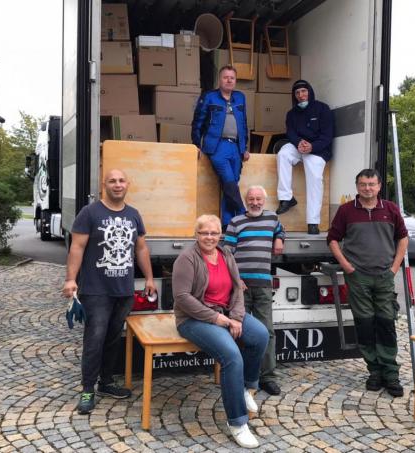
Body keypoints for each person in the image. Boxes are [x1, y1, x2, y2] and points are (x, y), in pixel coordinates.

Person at [61, 169, 157, 414]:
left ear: (128, 184)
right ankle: (87, 390)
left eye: (121, 180)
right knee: (94, 339)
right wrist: (71, 279)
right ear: (104, 184)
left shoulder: (133, 214)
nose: (117, 184)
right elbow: (77, 247)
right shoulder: (90, 213)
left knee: (114, 338)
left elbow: (141, 249)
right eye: (112, 181)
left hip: (123, 290)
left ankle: (106, 382)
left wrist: (148, 277)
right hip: (96, 290)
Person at [173, 214, 269, 449]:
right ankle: (238, 423)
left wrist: (235, 317)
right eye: (204, 233)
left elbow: (237, 288)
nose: (209, 237)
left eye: (214, 233)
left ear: (220, 235)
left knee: (260, 335)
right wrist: (219, 319)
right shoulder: (187, 258)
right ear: (196, 234)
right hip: (195, 318)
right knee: (232, 356)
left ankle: (246, 388)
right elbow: (182, 297)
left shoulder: (226, 254)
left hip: (226, 312)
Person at [326, 169, 408, 397]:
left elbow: (403, 237)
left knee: (386, 323)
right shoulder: (346, 211)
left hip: (384, 276)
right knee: (364, 324)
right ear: (357, 186)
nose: (367, 188)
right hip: (358, 277)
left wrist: (394, 268)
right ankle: (374, 372)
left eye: (372, 184)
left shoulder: (390, 209)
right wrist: (347, 266)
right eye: (363, 184)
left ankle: (391, 374)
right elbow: (332, 239)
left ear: (379, 186)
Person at [224, 186, 285, 396]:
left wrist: (279, 239)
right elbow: (226, 255)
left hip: (263, 286)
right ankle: (240, 376)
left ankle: (268, 377)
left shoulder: (272, 218)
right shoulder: (236, 222)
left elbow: (280, 230)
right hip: (240, 287)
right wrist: (236, 280)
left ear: (264, 201)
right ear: (245, 200)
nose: (255, 203)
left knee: (267, 332)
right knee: (238, 331)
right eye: (251, 199)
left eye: (259, 199)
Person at [192, 65, 250, 228]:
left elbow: (244, 123)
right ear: (220, 79)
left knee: (230, 184)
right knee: (229, 180)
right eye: (226, 77)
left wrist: (245, 147)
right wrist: (196, 144)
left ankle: (227, 224)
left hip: (236, 147)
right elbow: (198, 121)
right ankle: (244, 214)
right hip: (217, 146)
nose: (229, 80)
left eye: (232, 78)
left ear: (235, 80)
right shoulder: (209, 97)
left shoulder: (240, 97)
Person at [276, 79, 335, 235]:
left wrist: (312, 146)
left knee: (315, 179)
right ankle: (286, 198)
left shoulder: (323, 109)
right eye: (297, 93)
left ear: (309, 92)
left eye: (303, 91)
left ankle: (313, 222)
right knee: (283, 154)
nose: (301, 95)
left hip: (318, 150)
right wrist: (298, 142)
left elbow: (327, 136)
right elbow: (290, 133)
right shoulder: (291, 114)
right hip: (299, 146)